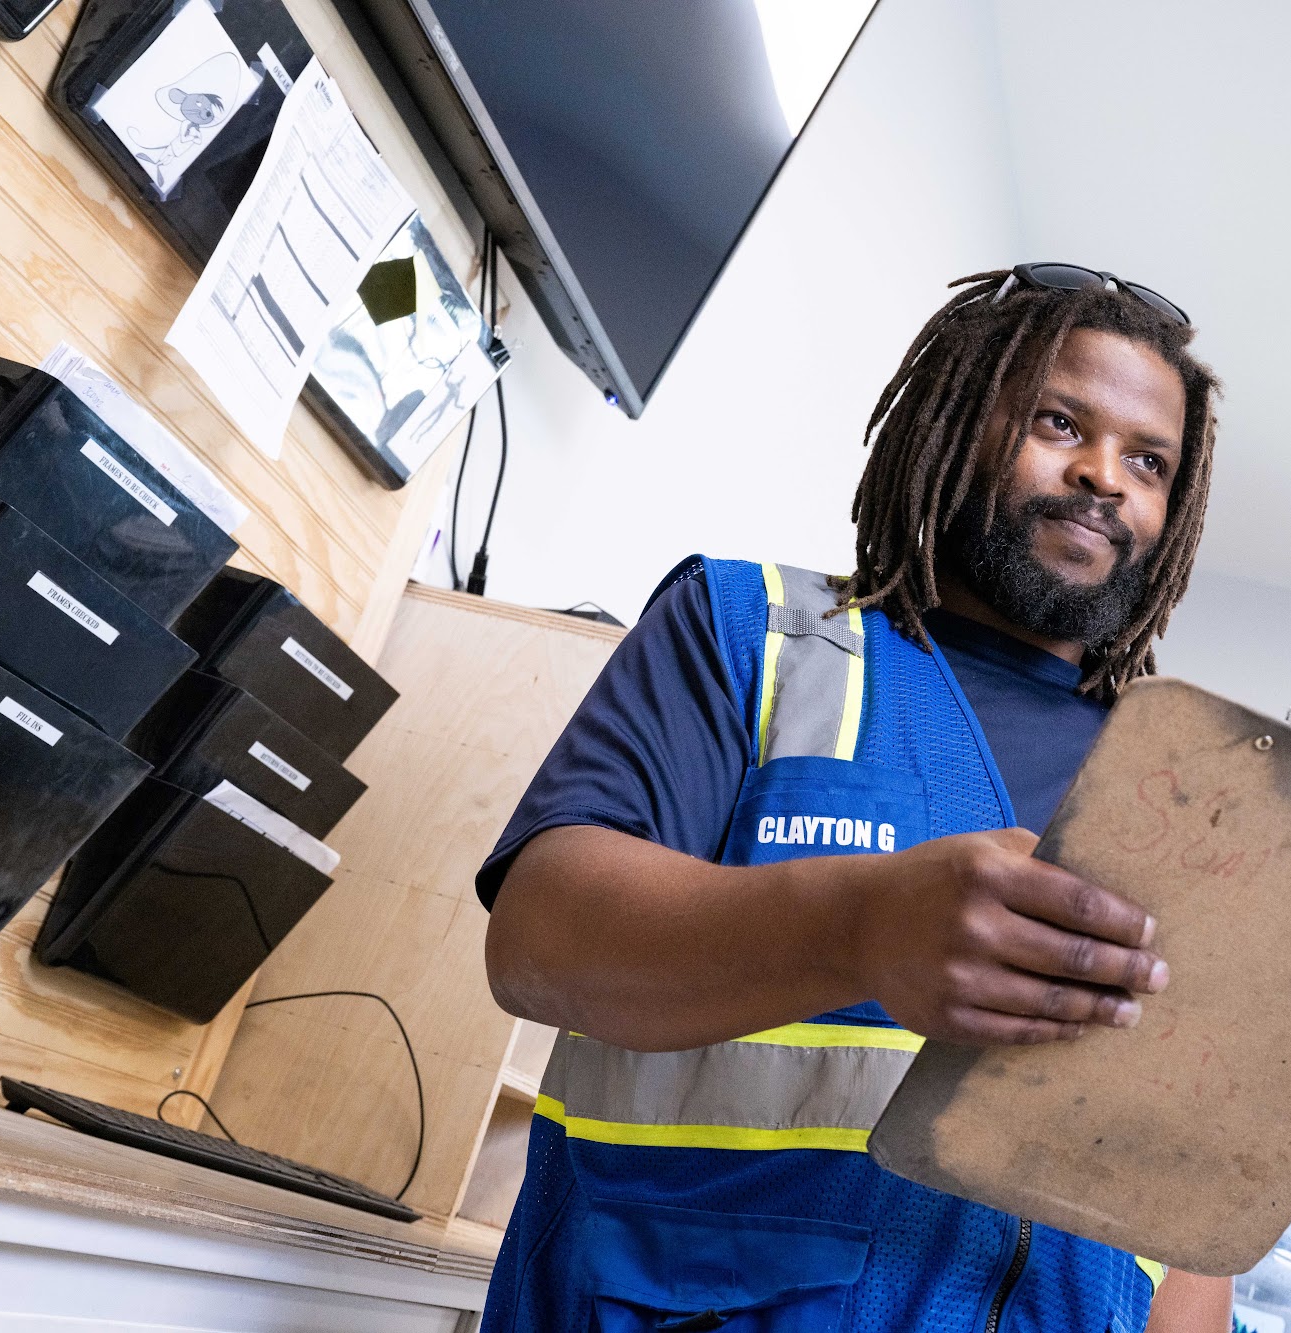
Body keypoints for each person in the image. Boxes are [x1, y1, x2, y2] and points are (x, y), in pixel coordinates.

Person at [476, 264, 1238, 1332]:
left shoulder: (1192, 800)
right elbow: (538, 940)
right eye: (1059, 422)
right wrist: (860, 927)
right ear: (956, 424)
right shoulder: (752, 634)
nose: (1103, 476)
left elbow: (1197, 1180)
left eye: (1148, 460)